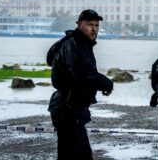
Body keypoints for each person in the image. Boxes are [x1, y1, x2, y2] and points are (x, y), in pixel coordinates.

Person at [47, 9, 113, 160]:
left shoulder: (79, 43)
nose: (94, 29)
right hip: (68, 108)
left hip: (69, 108)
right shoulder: (75, 44)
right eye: (90, 25)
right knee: (79, 155)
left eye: (96, 25)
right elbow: (84, 74)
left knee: (71, 154)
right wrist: (107, 83)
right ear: (79, 25)